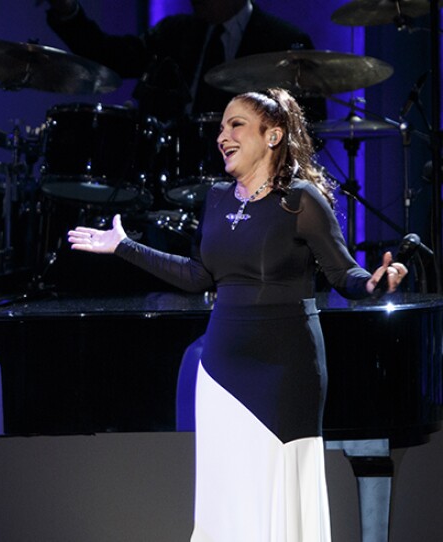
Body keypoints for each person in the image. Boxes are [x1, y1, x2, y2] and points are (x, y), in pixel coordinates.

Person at [67, 88, 408, 540]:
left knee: (278, 493)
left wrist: (374, 283)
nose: (222, 136)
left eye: (235, 125)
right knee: (225, 499)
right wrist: (123, 247)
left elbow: (344, 273)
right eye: (221, 127)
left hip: (286, 369)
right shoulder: (217, 199)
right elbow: (197, 276)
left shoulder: (299, 200)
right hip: (222, 369)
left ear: (273, 136)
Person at [44, 0, 325, 122]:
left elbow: (310, 123)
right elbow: (110, 56)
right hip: (175, 180)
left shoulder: (282, 42)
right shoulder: (174, 32)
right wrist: (68, 10)